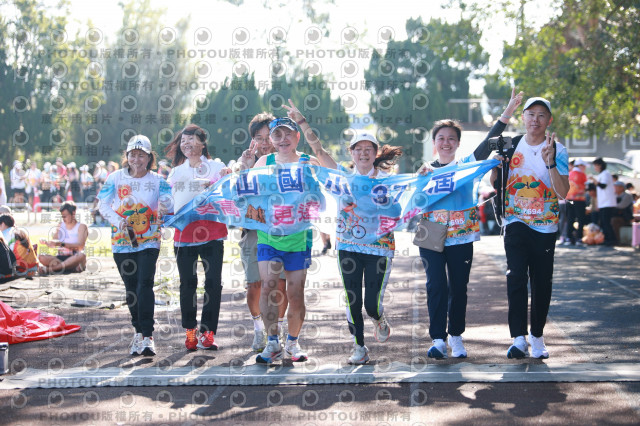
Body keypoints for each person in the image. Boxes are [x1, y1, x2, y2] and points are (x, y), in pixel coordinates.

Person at [416, 88, 523, 359]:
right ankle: (438, 339)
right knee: (435, 285)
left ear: (458, 143)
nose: (446, 142)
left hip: (461, 233)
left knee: (458, 287)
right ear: (434, 143)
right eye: (441, 138)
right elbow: (413, 201)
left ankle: (456, 336)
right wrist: (419, 181)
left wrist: (508, 111)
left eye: (451, 138)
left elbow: (488, 142)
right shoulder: (425, 171)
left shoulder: (467, 165)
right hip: (430, 232)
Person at [304, 103, 403, 364]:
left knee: (371, 304)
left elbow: (397, 212)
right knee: (352, 299)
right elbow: (319, 151)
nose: (363, 153)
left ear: (375, 153)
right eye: (358, 149)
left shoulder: (386, 180)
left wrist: (385, 201)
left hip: (379, 247)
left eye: (368, 149)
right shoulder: (342, 178)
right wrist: (303, 123)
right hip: (348, 245)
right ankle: (359, 347)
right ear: (352, 153)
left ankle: (378, 318)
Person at [495, 97, 569, 359]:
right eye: (531, 114)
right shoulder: (511, 145)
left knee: (541, 282)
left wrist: (551, 162)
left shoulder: (558, 149)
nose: (535, 120)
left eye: (541, 115)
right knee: (515, 277)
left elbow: (563, 192)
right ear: (523, 117)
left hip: (545, 225)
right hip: (515, 221)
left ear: (549, 120)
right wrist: (498, 165)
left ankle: (537, 336)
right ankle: (518, 338)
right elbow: (496, 183)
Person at [252, 109, 321, 364]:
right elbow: (248, 192)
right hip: (268, 236)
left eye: (288, 134)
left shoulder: (308, 162)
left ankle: (292, 343)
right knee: (268, 286)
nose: (283, 139)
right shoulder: (264, 162)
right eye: (277, 135)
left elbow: (325, 188)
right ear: (271, 139)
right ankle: (272, 342)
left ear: (297, 137)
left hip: (299, 236)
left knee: (295, 293)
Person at [97, 135, 171, 357]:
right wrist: (119, 221)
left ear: (149, 158)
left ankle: (148, 336)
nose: (137, 160)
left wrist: (164, 207)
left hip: (149, 239)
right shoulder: (115, 178)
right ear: (127, 156)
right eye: (133, 155)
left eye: (141, 155)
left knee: (144, 284)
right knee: (131, 287)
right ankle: (138, 331)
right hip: (122, 241)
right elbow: (102, 205)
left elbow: (168, 200)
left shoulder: (158, 180)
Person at [165, 124, 230, 351]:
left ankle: (208, 332)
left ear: (202, 143)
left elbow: (227, 190)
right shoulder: (176, 172)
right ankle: (190, 331)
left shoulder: (217, 167)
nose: (186, 144)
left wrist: (226, 176)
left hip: (213, 233)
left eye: (191, 139)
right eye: (183, 141)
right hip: (184, 236)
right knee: (187, 284)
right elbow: (168, 201)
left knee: (213, 283)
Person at [236, 112, 289, 352]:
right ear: (253, 140)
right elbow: (235, 193)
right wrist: (244, 168)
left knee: (280, 285)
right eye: (260, 138)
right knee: (254, 285)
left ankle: (277, 330)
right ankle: (259, 329)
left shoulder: (287, 161)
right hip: (254, 230)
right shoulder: (245, 162)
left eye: (270, 136)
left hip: (282, 231)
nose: (265, 142)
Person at [38, 201, 87, 274]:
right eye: (62, 216)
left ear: (73, 213)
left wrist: (61, 244)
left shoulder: (82, 226)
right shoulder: (61, 225)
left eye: (65, 216)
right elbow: (54, 241)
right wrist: (47, 242)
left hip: (75, 256)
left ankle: (51, 269)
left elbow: (80, 246)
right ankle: (69, 267)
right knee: (41, 256)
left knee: (81, 255)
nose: (63, 218)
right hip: (61, 257)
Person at [0, 213, 38, 277]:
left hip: (20, 270)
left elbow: (6, 256)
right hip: (33, 267)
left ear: (3, 224)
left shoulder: (5, 234)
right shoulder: (21, 231)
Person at [591, 157, 616, 246]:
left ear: (600, 165)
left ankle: (611, 239)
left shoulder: (606, 174)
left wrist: (595, 181)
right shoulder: (602, 174)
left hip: (607, 202)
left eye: (595, 166)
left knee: (606, 222)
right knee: (603, 222)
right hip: (603, 203)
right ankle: (607, 239)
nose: (595, 168)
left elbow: (603, 185)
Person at [563, 159, 588, 245]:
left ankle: (568, 238)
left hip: (569, 199)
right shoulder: (582, 174)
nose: (584, 168)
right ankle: (579, 238)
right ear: (580, 165)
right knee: (581, 219)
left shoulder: (569, 174)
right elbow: (586, 186)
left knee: (570, 219)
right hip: (579, 199)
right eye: (584, 166)